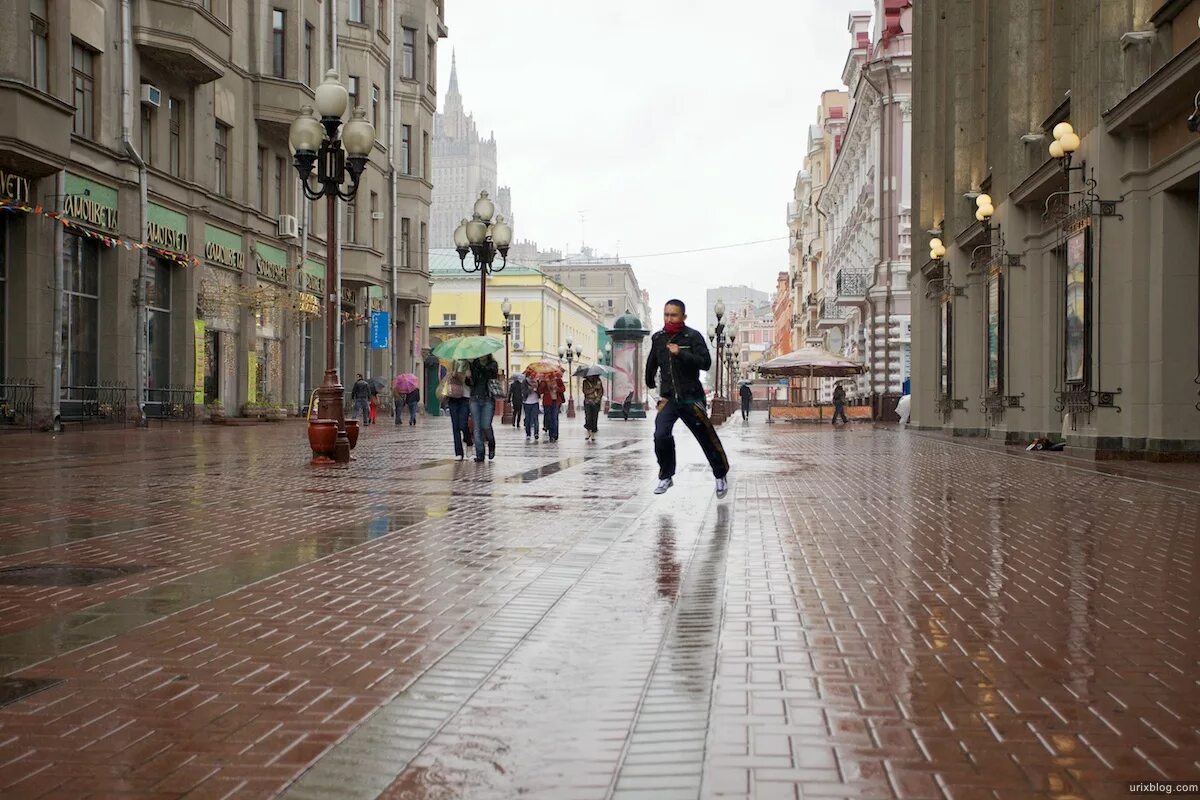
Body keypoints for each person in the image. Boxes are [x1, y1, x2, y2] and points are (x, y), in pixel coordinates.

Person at [646, 299, 729, 498]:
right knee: (660, 435)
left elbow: (705, 363)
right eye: (666, 314)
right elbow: (652, 361)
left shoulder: (692, 337)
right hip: (668, 399)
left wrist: (681, 354)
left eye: (673, 315)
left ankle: (720, 475)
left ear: (683, 317)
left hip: (691, 398)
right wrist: (649, 381)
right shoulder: (659, 338)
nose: (669, 318)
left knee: (706, 438)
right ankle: (666, 475)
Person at [465, 353, 498, 462]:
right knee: (476, 427)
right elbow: (470, 384)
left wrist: (475, 366)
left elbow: (488, 373)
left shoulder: (493, 364)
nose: (481, 355)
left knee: (486, 425)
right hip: (475, 398)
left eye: (483, 354)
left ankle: (491, 443)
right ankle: (480, 454)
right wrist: (468, 377)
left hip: (487, 398)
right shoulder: (473, 364)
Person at [444, 363, 472, 459]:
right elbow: (447, 379)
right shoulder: (453, 363)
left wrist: (467, 376)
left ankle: (469, 442)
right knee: (455, 426)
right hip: (453, 397)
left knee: (463, 424)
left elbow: (473, 382)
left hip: (465, 397)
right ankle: (459, 453)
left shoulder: (470, 365)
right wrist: (451, 374)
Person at [539, 372, 566, 442]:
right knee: (549, 419)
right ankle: (551, 435)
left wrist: (557, 388)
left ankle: (554, 434)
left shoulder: (558, 381)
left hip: (556, 402)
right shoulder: (544, 381)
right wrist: (542, 384)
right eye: (550, 375)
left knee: (554, 418)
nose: (552, 376)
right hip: (547, 402)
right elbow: (540, 391)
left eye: (553, 375)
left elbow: (563, 389)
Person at [581, 373, 604, 442]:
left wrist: (597, 399)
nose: (590, 377)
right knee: (588, 417)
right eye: (589, 376)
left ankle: (593, 434)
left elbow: (601, 391)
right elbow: (585, 391)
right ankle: (588, 433)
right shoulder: (585, 382)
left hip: (596, 402)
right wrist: (594, 388)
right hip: (588, 401)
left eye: (591, 375)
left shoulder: (598, 381)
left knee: (594, 418)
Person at [522, 377, 541, 441]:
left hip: (535, 402)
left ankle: (536, 433)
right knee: (528, 419)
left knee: (535, 418)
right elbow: (523, 392)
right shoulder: (525, 381)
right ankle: (528, 434)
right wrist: (530, 389)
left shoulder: (537, 381)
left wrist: (537, 387)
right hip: (527, 403)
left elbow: (540, 392)